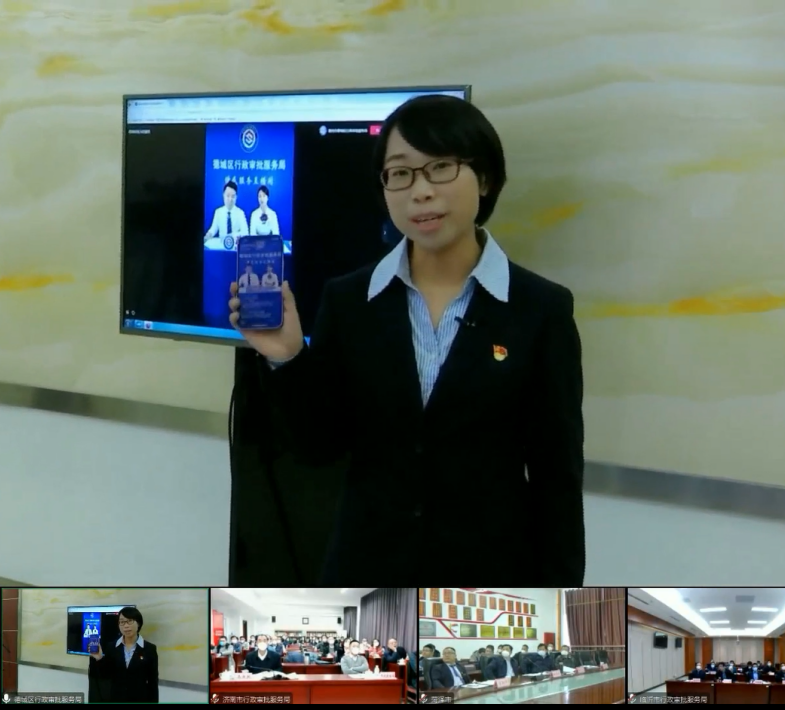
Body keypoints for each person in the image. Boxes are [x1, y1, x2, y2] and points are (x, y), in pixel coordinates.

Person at [228, 94, 585, 586]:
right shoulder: (350, 300)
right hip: (365, 573)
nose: (421, 191)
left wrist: (557, 597)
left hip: (487, 579)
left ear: (484, 178)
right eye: (400, 173)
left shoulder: (540, 309)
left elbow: (556, 480)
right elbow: (317, 447)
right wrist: (287, 356)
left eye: (440, 168)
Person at [88, 607, 159, 703]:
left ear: (138, 623)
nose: (126, 626)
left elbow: (153, 683)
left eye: (129, 621)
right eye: (122, 622)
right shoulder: (112, 647)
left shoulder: (149, 649)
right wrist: (99, 658)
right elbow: (106, 675)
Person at [203, 180, 249, 249]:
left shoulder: (240, 213)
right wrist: (208, 235)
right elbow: (213, 229)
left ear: (236, 197)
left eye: (233, 196)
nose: (230, 199)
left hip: (235, 246)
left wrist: (231, 236)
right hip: (222, 246)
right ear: (223, 195)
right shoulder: (218, 212)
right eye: (228, 196)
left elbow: (245, 232)